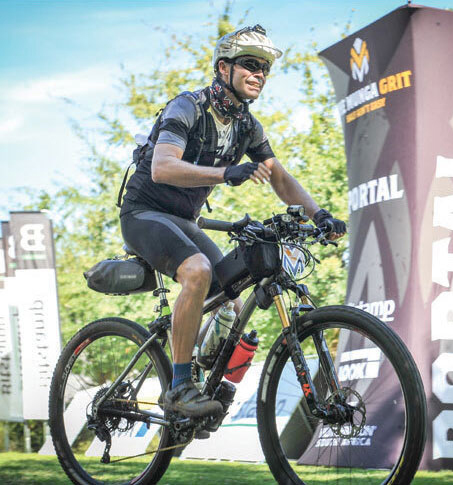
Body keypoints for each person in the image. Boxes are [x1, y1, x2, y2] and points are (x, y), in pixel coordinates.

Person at [119, 24, 346, 418]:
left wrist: (319, 214)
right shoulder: (188, 107)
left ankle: (212, 386)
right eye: (250, 65)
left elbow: (278, 176)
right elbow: (162, 167)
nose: (259, 73)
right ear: (224, 67)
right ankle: (178, 387)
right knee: (198, 270)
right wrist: (227, 174)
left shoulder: (246, 126)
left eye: (264, 68)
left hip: (184, 221)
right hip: (143, 213)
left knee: (233, 298)